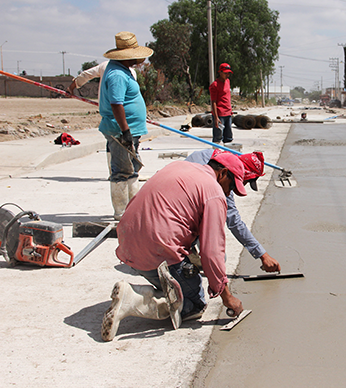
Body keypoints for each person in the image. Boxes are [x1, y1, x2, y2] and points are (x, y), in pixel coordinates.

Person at [101, 151, 247, 341]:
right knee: (195, 304)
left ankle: (160, 291)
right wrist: (226, 296)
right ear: (222, 173)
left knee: (180, 279)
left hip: (128, 246)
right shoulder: (214, 192)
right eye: (231, 187)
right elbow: (211, 251)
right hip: (156, 251)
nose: (229, 193)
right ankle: (136, 300)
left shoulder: (180, 166)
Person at [185, 149, 281, 273]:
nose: (242, 186)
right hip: (179, 215)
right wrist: (263, 255)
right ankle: (186, 250)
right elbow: (234, 222)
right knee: (216, 260)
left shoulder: (214, 157)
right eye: (245, 182)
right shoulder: (224, 178)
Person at [98, 31, 153, 220]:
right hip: (120, 131)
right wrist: (125, 131)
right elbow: (116, 103)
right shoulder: (117, 75)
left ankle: (131, 208)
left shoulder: (124, 71)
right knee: (122, 171)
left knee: (132, 168)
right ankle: (121, 213)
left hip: (128, 130)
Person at [66, 60, 138, 175]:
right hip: (119, 114)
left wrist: (72, 87)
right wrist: (71, 88)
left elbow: (85, 75)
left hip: (118, 114)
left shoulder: (109, 67)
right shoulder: (120, 71)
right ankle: (120, 173)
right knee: (119, 144)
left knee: (115, 143)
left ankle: (117, 171)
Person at [209, 63, 233, 144]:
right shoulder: (214, 85)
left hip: (228, 114)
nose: (227, 75)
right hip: (219, 115)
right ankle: (216, 154)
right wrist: (216, 118)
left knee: (228, 137)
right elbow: (213, 102)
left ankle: (228, 155)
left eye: (228, 73)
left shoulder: (228, 82)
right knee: (218, 137)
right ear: (220, 72)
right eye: (225, 73)